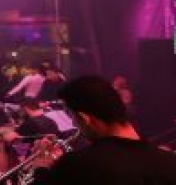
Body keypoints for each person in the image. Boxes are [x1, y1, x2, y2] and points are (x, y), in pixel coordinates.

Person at [44, 76, 176, 184]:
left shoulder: (76, 165)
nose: (73, 122)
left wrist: (42, 168)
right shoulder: (170, 162)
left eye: (73, 117)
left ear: (85, 118)